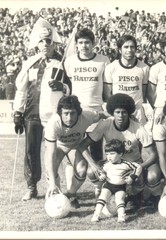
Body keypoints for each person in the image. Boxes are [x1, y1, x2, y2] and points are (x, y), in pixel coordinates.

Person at [13, 22, 71, 201]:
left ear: (54, 43)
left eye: (48, 41)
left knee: (52, 151)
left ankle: (53, 185)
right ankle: (32, 187)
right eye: (42, 41)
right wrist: (17, 112)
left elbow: (71, 89)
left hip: (53, 115)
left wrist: (62, 86)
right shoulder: (30, 63)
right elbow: (21, 89)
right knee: (31, 150)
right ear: (37, 44)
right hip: (31, 114)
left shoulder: (62, 63)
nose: (45, 44)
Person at [78, 93, 157, 210]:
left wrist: (139, 168)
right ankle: (102, 190)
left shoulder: (138, 127)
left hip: (132, 165)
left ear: (129, 113)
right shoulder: (105, 124)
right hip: (112, 165)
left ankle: (133, 195)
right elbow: (82, 146)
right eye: (117, 112)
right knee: (91, 172)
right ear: (112, 113)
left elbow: (154, 154)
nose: (121, 116)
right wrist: (94, 165)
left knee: (138, 182)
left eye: (124, 112)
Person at [64, 27, 111, 184]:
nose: (84, 46)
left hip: (96, 112)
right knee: (73, 152)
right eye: (81, 43)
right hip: (76, 113)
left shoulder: (103, 60)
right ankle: (72, 193)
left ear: (93, 43)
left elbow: (106, 89)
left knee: (96, 152)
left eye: (87, 43)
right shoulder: (69, 62)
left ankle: (99, 190)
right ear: (76, 44)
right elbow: (69, 87)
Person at [44, 95, 109, 208]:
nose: (69, 118)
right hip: (58, 146)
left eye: (73, 113)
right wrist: (53, 183)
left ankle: (71, 194)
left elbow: (102, 115)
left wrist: (116, 116)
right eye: (66, 113)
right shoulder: (53, 123)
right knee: (51, 168)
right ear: (60, 113)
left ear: (78, 112)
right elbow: (51, 153)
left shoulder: (87, 116)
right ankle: (56, 194)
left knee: (82, 169)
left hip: (75, 146)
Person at [91, 139, 142, 223]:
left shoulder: (126, 164)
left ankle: (121, 217)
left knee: (120, 200)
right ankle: (96, 215)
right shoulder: (107, 164)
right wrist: (102, 175)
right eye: (107, 154)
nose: (109, 156)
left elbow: (138, 167)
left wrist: (132, 177)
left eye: (112, 154)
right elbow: (101, 171)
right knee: (102, 197)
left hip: (120, 187)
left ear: (120, 154)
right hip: (108, 186)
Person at [104, 34, 149, 124]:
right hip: (118, 113)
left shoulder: (144, 68)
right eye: (126, 47)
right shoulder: (111, 67)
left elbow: (143, 92)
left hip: (137, 113)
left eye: (132, 47)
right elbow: (108, 94)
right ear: (120, 50)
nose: (129, 50)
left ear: (136, 49)